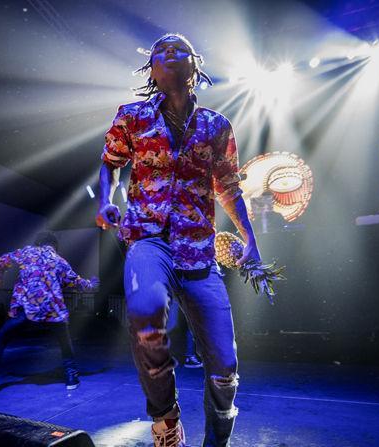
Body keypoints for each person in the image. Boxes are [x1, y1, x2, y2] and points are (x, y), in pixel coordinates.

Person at [96, 34, 261, 447]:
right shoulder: (131, 117)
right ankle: (166, 421)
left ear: (195, 66)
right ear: (151, 69)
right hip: (149, 239)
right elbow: (109, 164)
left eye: (179, 49)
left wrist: (250, 239)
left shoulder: (216, 126)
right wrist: (105, 200)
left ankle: (217, 438)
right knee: (147, 315)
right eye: (160, 51)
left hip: (200, 252)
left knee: (225, 369)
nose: (169, 53)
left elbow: (229, 187)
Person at [0, 231, 99, 396]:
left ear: (38, 243)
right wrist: (91, 284)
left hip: (26, 308)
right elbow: (77, 282)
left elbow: (3, 259)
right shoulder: (60, 261)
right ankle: (71, 377)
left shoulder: (27, 252)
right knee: (64, 341)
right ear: (55, 246)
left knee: (1, 338)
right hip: (53, 311)